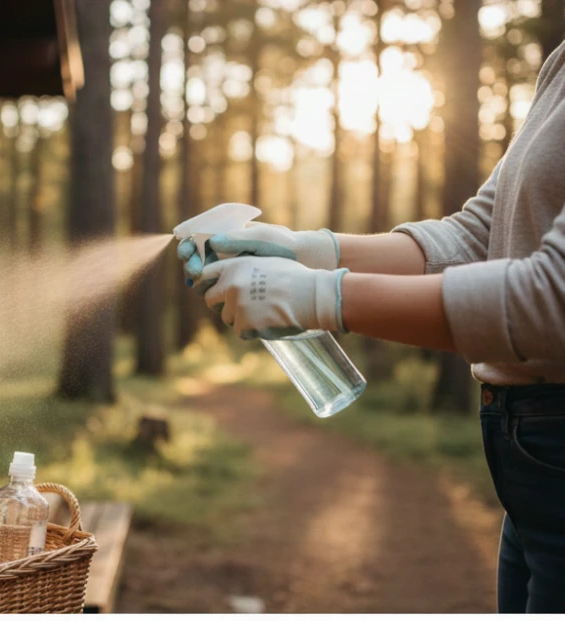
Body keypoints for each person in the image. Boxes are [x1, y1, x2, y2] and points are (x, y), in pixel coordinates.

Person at [177, 41, 565, 613]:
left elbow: (553, 299)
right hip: (529, 469)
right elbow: (483, 234)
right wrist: (307, 250)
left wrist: (323, 296)